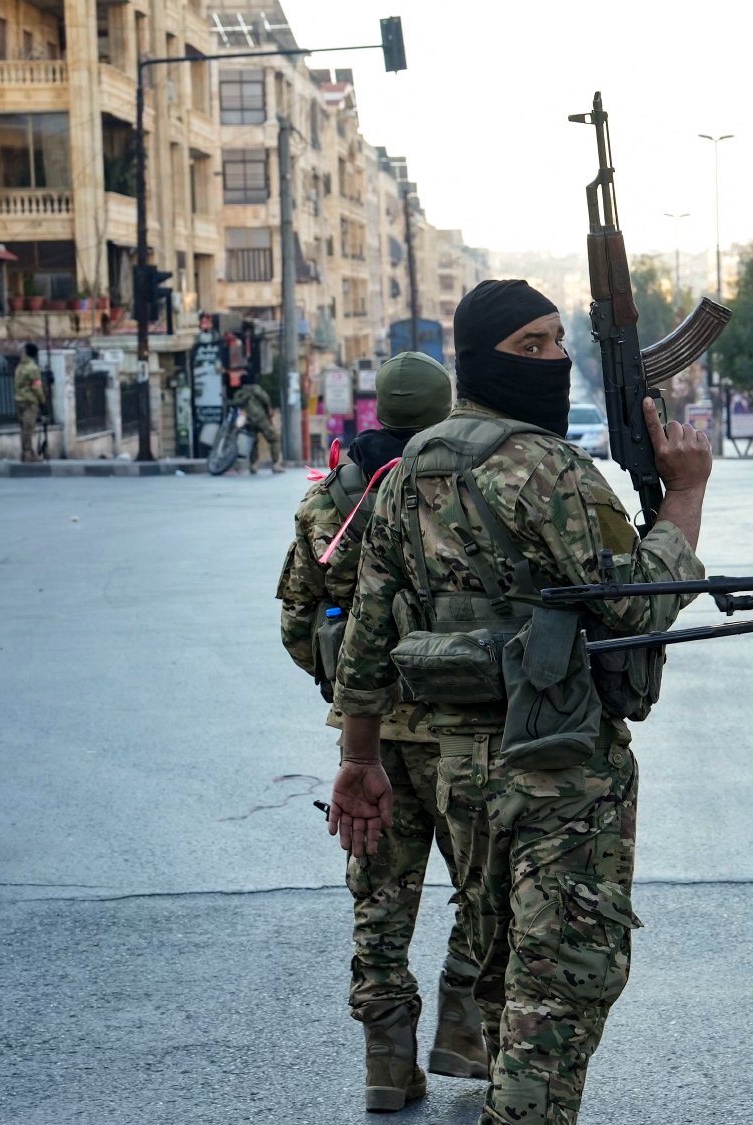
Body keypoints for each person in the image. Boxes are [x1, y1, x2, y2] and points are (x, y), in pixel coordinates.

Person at [327, 278, 713, 1125]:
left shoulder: (408, 470)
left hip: (459, 774)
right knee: (564, 975)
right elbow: (638, 605)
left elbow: (365, 637)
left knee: (505, 965)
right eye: (528, 345)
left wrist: (360, 757)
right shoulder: (549, 469)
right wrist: (685, 495)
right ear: (479, 357)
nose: (552, 358)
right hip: (559, 766)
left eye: (555, 341)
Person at [275, 352, 487, 1112]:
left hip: (367, 740)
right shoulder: (463, 487)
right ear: (445, 408)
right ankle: (464, 1028)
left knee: (380, 905)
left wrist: (342, 685)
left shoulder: (330, 498)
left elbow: (296, 620)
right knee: (485, 886)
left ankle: (387, 1067)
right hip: (461, 730)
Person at [229, 375, 281, 473]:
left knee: (253, 442)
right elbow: (266, 399)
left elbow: (236, 404)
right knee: (274, 439)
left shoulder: (240, 393)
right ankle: (275, 464)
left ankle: (253, 465)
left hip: (248, 420)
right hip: (260, 418)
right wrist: (269, 411)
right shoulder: (257, 389)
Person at [14, 344, 46, 463]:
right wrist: (42, 401)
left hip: (19, 400)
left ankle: (25, 453)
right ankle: (28, 454)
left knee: (23, 429)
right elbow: (37, 386)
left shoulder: (19, 367)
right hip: (30, 402)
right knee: (28, 429)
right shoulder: (33, 368)